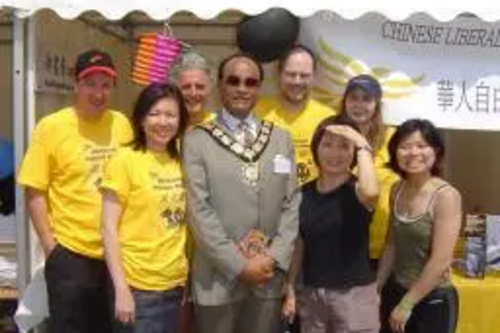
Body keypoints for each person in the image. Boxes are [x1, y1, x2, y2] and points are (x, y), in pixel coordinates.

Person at [182, 53, 300, 333]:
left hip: (267, 277)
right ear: (220, 85)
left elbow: (292, 203)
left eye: (251, 82)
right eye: (233, 80)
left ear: (260, 87)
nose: (242, 88)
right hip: (217, 280)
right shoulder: (196, 140)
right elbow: (199, 210)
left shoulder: (281, 139)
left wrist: (272, 257)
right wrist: (238, 265)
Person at [17, 49, 133, 333]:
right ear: (76, 85)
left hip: (115, 256)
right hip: (70, 255)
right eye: (90, 83)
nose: (99, 93)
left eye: (105, 85)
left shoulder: (121, 124)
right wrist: (51, 247)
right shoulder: (51, 127)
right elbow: (34, 189)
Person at [100, 83, 190, 333]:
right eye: (155, 113)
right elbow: (107, 228)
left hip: (174, 285)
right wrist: (121, 289)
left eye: (171, 115)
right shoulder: (124, 160)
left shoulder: (182, 159)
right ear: (141, 118)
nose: (163, 122)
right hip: (137, 287)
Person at [282, 115, 380, 333]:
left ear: (354, 153)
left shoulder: (360, 190)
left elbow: (372, 191)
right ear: (316, 149)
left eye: (344, 146)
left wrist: (362, 144)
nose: (334, 154)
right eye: (327, 145)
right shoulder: (303, 193)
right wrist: (290, 287)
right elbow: (299, 244)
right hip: (312, 294)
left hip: (354, 297)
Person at [377, 119, 462, 333]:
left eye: (422, 146)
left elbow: (441, 260)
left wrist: (407, 304)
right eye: (405, 146)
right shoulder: (396, 189)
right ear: (395, 151)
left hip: (432, 299)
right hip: (396, 291)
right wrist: (377, 286)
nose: (413, 152)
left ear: (436, 151)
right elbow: (391, 245)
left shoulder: (446, 196)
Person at [338, 74, 399, 264]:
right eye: (353, 98)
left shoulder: (393, 138)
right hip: (338, 239)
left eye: (367, 99)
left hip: (382, 245)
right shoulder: (333, 134)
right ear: (344, 102)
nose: (359, 105)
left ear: (377, 104)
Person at [255, 45, 335, 186]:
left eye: (304, 75)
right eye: (291, 74)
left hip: (313, 202)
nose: (297, 81)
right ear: (279, 74)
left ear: (314, 77)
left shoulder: (328, 118)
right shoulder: (257, 111)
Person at [171, 51, 215, 128]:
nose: (193, 93)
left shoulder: (221, 125)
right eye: (186, 87)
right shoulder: (164, 126)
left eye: (200, 87)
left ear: (209, 89)